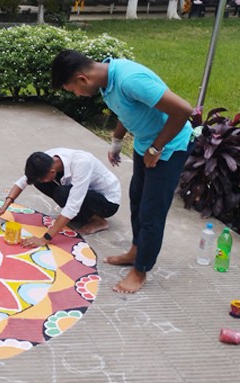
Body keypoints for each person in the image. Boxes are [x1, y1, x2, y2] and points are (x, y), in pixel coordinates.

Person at [51, 49, 194, 294]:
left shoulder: (130, 79)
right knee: (137, 200)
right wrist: (117, 140)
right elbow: (125, 109)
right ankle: (137, 251)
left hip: (169, 147)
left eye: (73, 90)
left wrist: (156, 147)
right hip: (145, 144)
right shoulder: (106, 81)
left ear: (82, 79)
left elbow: (183, 110)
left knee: (152, 211)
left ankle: (140, 271)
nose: (76, 94)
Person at [0, 148, 121, 246]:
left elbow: (72, 205)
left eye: (44, 177)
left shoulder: (82, 163)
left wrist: (45, 238)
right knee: (38, 181)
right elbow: (24, 180)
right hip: (85, 194)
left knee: (62, 193)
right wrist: (5, 205)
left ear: (52, 172)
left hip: (107, 202)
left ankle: (99, 221)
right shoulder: (47, 159)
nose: (43, 181)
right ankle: (81, 216)